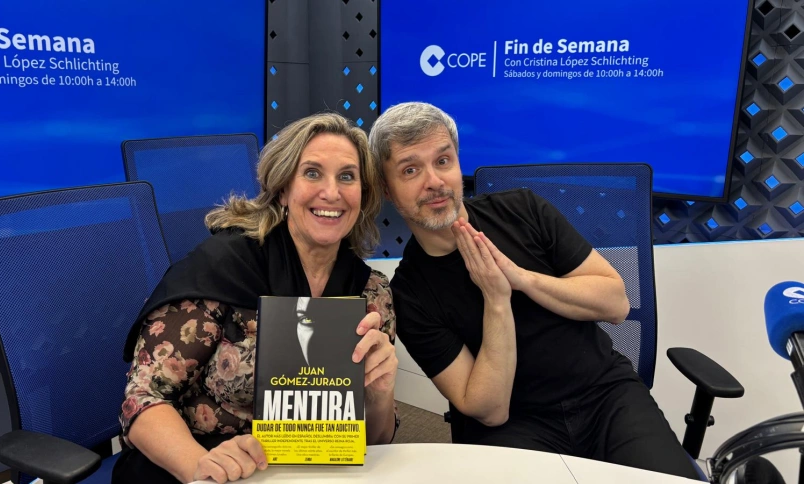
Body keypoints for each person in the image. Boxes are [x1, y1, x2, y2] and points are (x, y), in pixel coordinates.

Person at [367, 102, 700, 479]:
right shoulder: (408, 293)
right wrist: (496, 299)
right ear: (388, 190)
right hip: (513, 424)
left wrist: (523, 279)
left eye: (443, 161)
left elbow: (616, 303)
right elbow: (490, 409)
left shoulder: (523, 209)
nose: (434, 181)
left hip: (605, 394)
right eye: (410, 170)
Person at [112, 113, 399, 484]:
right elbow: (143, 399)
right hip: (199, 467)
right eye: (312, 173)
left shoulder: (370, 293)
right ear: (283, 189)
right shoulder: (222, 269)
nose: (332, 192)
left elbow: (376, 444)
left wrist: (379, 394)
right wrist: (200, 464)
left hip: (309, 473)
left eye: (347, 176)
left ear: (362, 194)